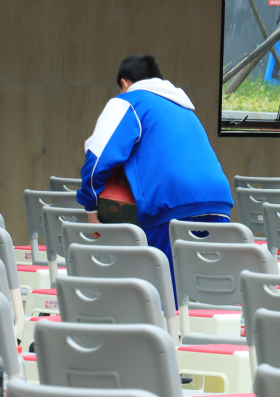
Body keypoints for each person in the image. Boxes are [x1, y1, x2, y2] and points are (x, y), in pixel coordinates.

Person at [77, 54, 234, 294]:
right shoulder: (183, 107)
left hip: (169, 206)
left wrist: (91, 208)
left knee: (163, 301)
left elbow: (97, 158)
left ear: (124, 83)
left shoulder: (128, 101)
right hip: (219, 203)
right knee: (210, 298)